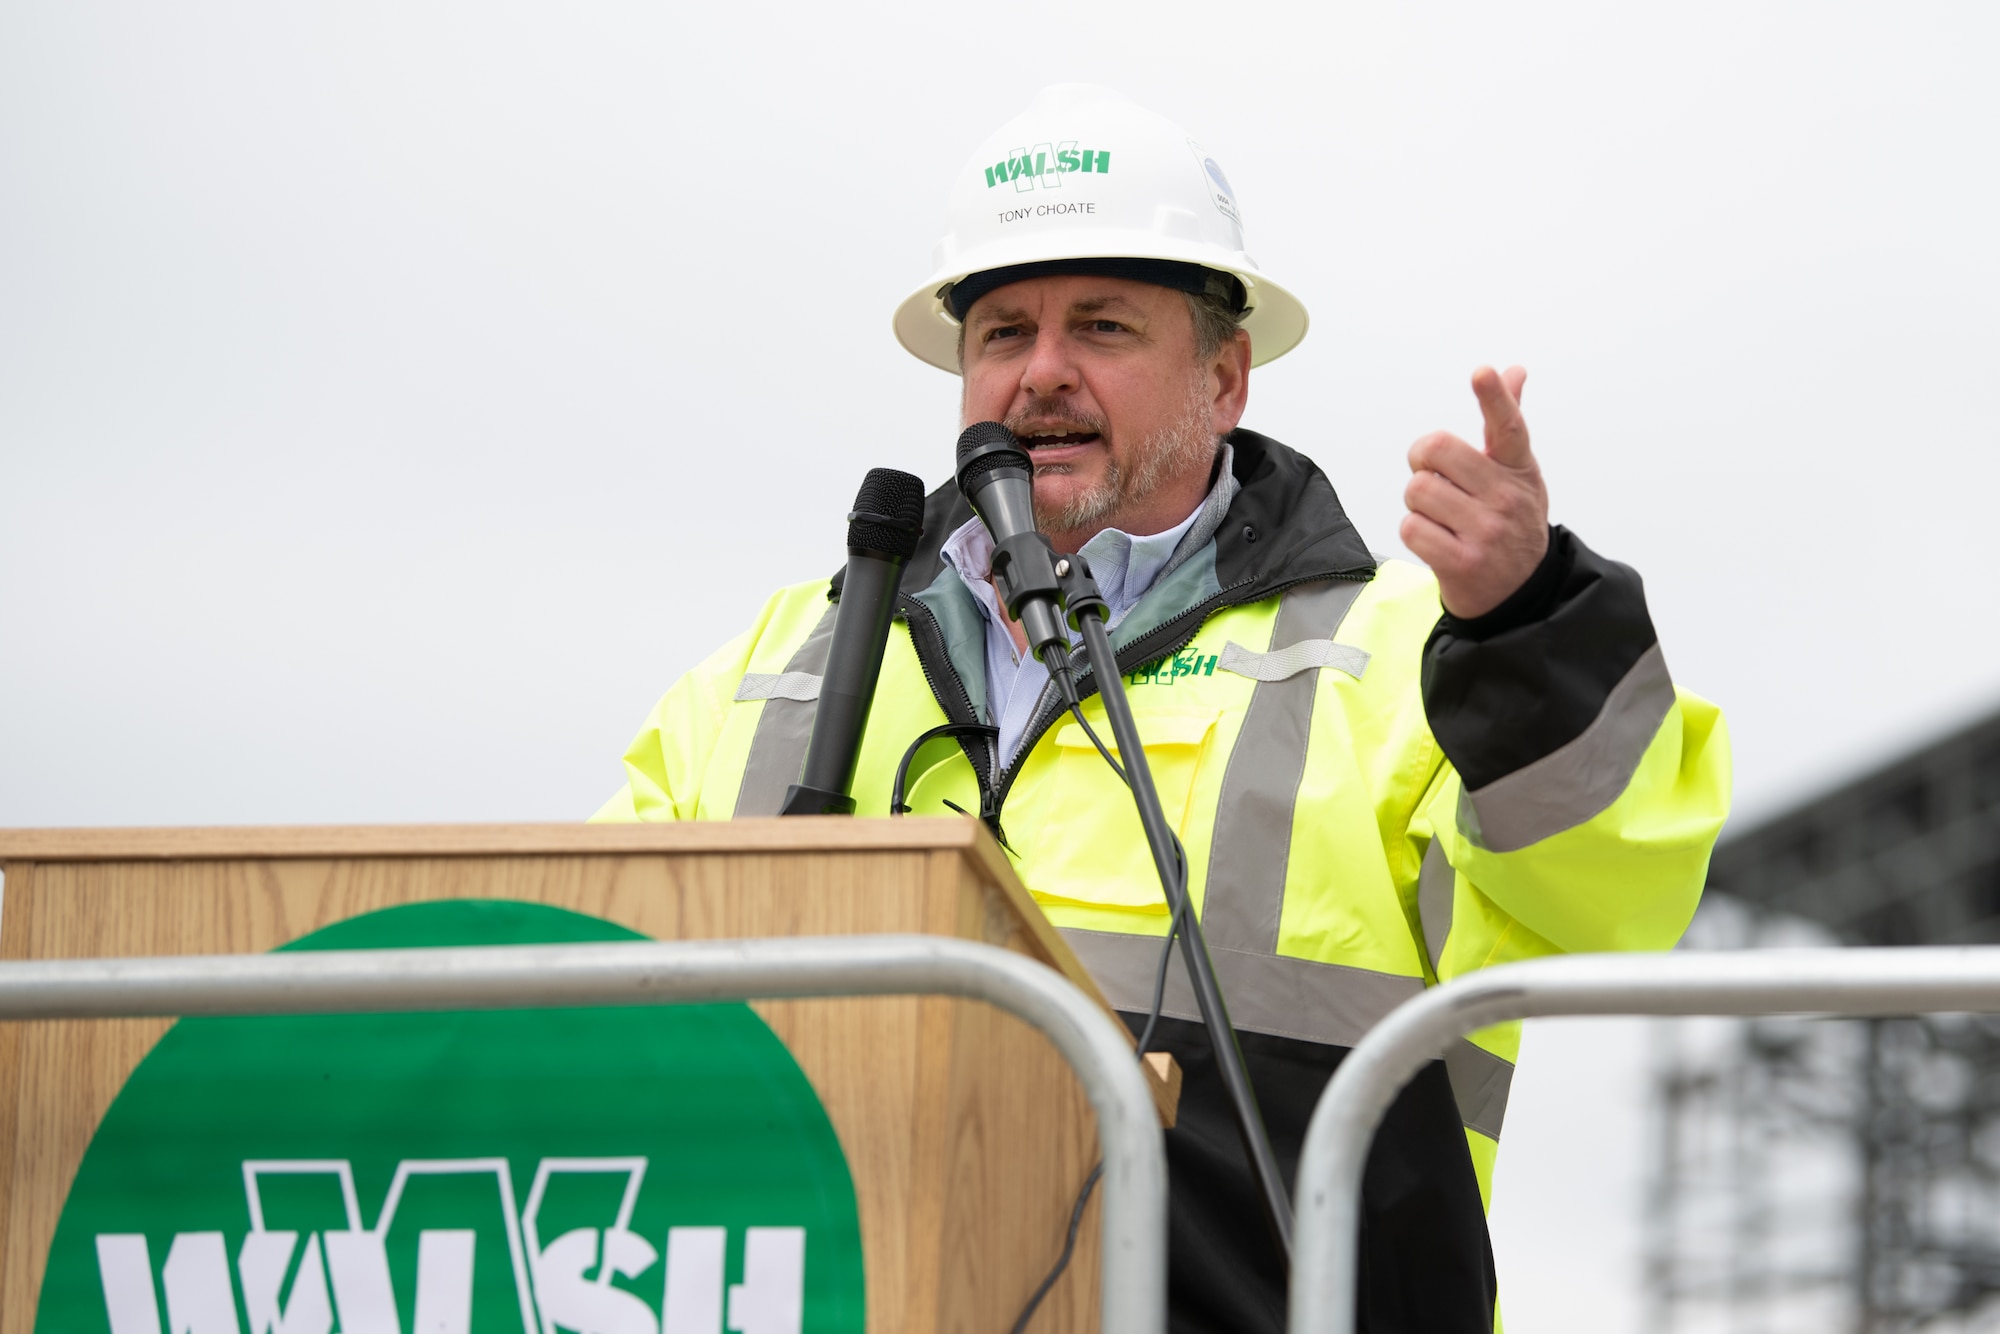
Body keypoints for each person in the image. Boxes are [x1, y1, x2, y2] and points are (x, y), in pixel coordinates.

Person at [594, 84, 1731, 1333]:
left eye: (1102, 326)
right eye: (1001, 332)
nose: (1040, 375)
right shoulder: (782, 663)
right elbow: (568, 976)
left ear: (1225, 375)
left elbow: (1615, 895)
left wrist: (1528, 620)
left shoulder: (1409, 650)